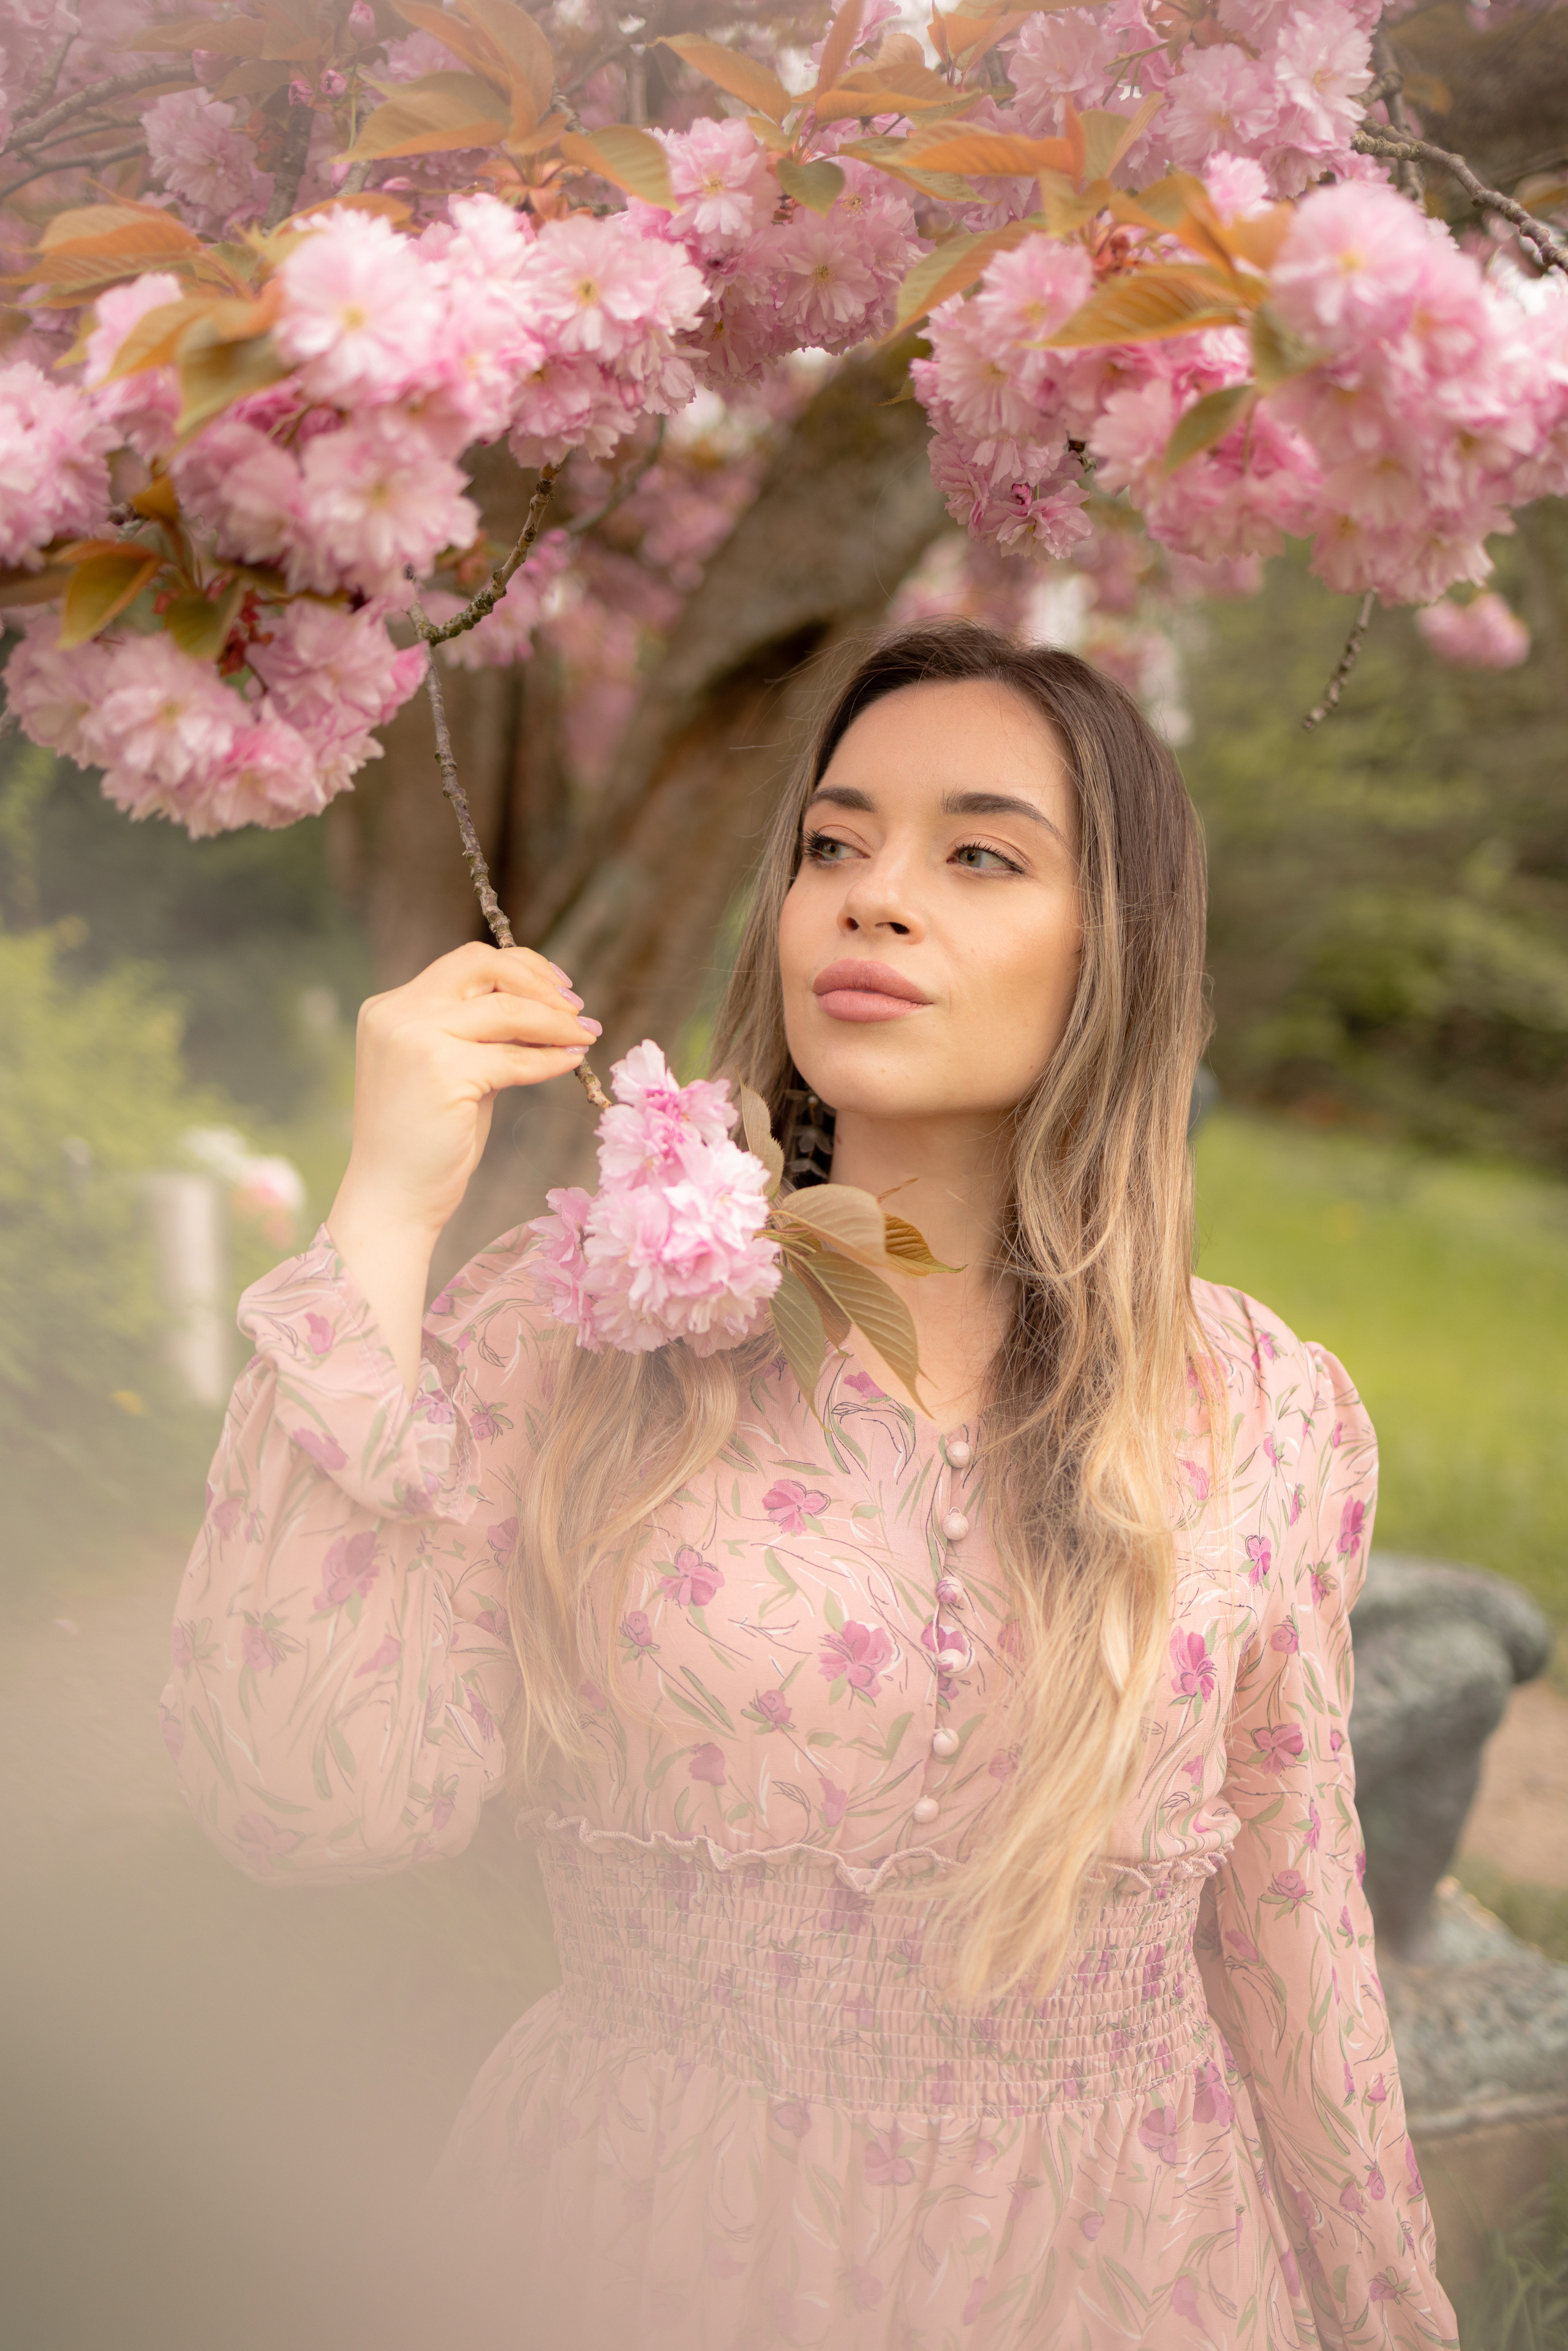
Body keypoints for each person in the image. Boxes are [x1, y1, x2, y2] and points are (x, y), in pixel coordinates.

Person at [161, 622, 1457, 2349]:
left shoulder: (1264, 1409)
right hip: (646, 2246)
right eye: (834, 846)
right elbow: (302, 1802)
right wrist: (385, 1212)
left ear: (1115, 951)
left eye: (979, 854)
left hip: (1122, 2268)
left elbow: (1294, 1937)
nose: (872, 896)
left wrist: (1389, 2317)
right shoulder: (583, 1335)